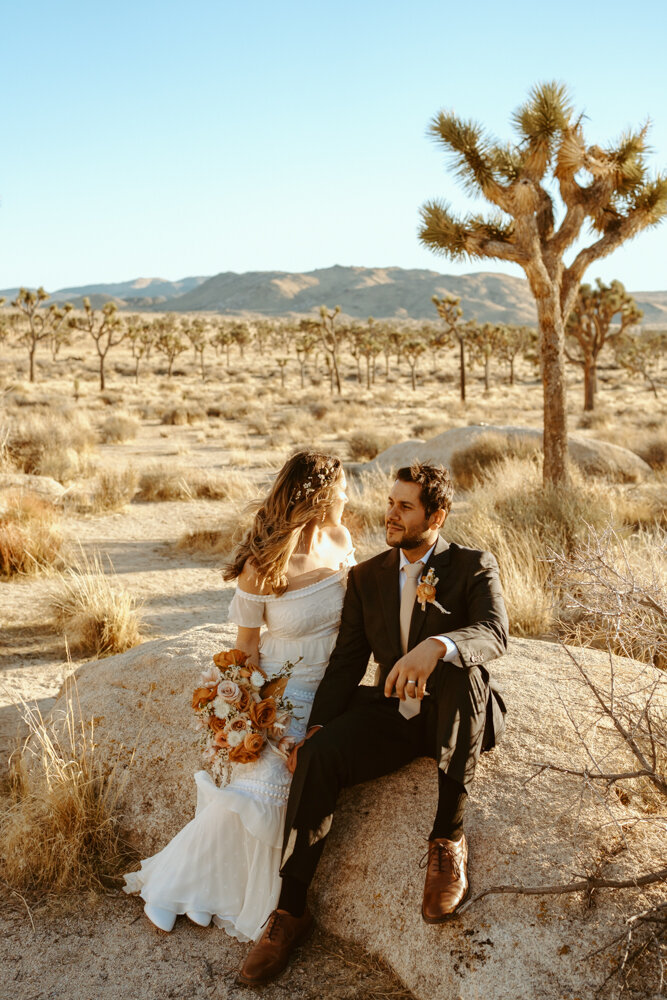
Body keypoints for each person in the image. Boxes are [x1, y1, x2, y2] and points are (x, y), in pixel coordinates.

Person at [238, 461, 508, 986]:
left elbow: (495, 633)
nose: (391, 514)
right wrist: (315, 729)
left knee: (462, 675)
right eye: (390, 503)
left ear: (438, 513)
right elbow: (345, 662)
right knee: (317, 754)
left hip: (454, 713)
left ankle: (447, 841)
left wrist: (438, 646)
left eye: (405, 507)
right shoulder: (367, 577)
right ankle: (290, 911)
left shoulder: (473, 564)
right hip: (395, 715)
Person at [123, 450, 353, 943]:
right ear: (319, 497)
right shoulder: (261, 566)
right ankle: (180, 884)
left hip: (335, 689)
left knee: (303, 778)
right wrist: (247, 718)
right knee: (265, 786)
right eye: (343, 487)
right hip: (282, 693)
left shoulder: (341, 539)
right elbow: (246, 650)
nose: (349, 496)